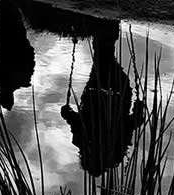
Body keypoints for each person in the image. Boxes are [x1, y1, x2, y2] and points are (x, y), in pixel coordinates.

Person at [60, 33, 145, 176]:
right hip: (98, 91)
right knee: (103, 59)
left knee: (104, 59)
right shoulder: (83, 141)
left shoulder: (115, 146)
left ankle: (105, 33)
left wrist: (139, 108)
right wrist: (66, 113)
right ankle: (104, 32)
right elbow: (74, 120)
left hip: (116, 93)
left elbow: (132, 123)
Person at [0, 0, 35, 110]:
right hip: (2, 41)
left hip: (18, 41)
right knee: (5, 16)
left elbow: (31, 60)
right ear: (1, 96)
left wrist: (27, 46)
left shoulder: (23, 79)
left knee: (14, 18)